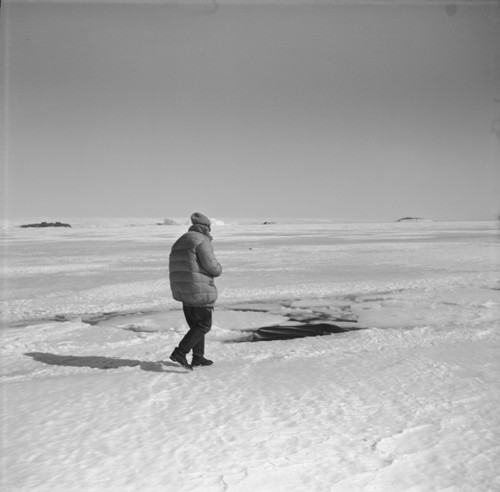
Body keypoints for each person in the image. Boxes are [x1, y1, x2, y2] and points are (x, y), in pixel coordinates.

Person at [169, 212, 222, 369]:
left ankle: (198, 357)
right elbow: (212, 266)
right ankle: (180, 352)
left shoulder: (181, 240)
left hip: (184, 290)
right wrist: (219, 269)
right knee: (203, 325)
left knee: (196, 326)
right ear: (205, 227)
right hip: (199, 290)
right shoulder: (201, 240)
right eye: (209, 227)